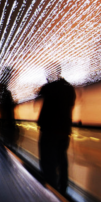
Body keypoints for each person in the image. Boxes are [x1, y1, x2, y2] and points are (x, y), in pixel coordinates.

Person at [36, 62, 76, 195]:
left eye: (48, 73)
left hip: (49, 131)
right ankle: (63, 190)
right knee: (62, 160)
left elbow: (39, 94)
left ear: (53, 73)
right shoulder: (69, 87)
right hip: (64, 132)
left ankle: (50, 192)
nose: (46, 76)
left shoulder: (50, 87)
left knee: (48, 162)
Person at [0, 67, 18, 146]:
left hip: (5, 121)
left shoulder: (1, 90)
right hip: (7, 122)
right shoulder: (5, 92)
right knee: (9, 143)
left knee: (6, 143)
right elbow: (7, 106)